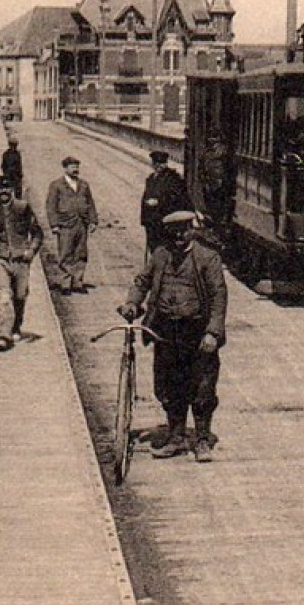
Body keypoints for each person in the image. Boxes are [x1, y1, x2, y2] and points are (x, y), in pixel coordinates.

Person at [119, 210, 228, 462]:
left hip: (198, 332)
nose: (179, 236)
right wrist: (132, 303)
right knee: (168, 385)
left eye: (184, 229)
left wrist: (213, 332)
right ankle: (176, 437)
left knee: (202, 387)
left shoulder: (206, 257)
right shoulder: (160, 255)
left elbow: (218, 296)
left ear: (192, 228)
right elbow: (142, 281)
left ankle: (201, 440)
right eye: (174, 231)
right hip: (166, 331)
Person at [0, 175, 44, 351]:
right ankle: (2, 336)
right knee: (4, 296)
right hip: (0, 259)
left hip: (21, 259)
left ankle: (15, 326)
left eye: (7, 188)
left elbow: (37, 233)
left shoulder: (23, 208)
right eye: (0, 189)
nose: (3, 192)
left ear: (11, 190)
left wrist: (31, 251)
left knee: (20, 296)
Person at [45, 156, 99, 294]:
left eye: (77, 166)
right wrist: (54, 225)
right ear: (65, 168)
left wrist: (93, 221)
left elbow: (90, 203)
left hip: (82, 223)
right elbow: (51, 206)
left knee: (81, 253)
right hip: (65, 224)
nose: (75, 169)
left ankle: (77, 282)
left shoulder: (84, 185)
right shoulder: (56, 185)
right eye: (72, 167)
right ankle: (65, 284)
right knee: (65, 253)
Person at [140, 149, 191, 258]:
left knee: (165, 247)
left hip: (166, 219)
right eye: (156, 163)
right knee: (153, 247)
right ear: (153, 164)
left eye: (162, 163)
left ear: (166, 163)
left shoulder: (173, 178)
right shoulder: (150, 179)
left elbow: (177, 198)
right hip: (152, 221)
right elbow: (145, 198)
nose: (159, 166)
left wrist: (159, 202)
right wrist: (144, 220)